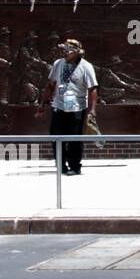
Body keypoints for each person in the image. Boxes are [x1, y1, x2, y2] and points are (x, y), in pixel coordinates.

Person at [36, 39, 98, 176]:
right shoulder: (58, 64)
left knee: (75, 139)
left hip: (76, 108)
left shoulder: (86, 66)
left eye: (67, 51)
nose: (64, 53)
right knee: (57, 137)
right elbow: (51, 84)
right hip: (59, 106)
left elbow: (93, 89)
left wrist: (92, 109)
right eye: (63, 50)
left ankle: (75, 166)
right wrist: (42, 104)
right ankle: (60, 165)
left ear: (76, 53)